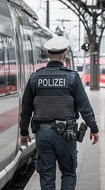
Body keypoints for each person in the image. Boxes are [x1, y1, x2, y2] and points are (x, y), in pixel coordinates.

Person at [19, 36, 99, 190]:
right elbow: (85, 107)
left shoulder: (35, 78)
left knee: (46, 175)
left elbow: (26, 110)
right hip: (66, 135)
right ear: (65, 55)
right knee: (68, 173)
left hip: (42, 134)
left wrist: (24, 132)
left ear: (48, 54)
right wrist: (94, 129)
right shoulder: (72, 77)